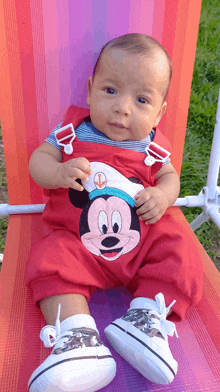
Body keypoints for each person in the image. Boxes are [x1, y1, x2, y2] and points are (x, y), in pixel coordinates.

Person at [26, 33, 203, 392]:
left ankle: (145, 319)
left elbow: (171, 178)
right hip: (77, 243)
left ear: (159, 112)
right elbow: (38, 161)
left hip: (143, 243)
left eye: (141, 100)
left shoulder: (154, 148)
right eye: (110, 91)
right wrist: (58, 172)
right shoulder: (70, 134)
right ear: (90, 90)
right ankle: (77, 339)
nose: (123, 108)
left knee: (182, 249)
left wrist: (162, 194)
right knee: (48, 258)